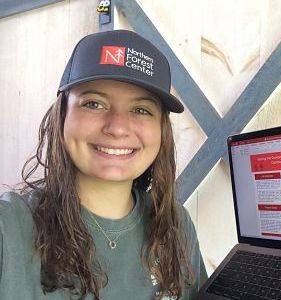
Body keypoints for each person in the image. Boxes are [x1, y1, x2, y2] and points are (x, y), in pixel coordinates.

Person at [0, 30, 207, 299]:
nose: (117, 127)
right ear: (62, 116)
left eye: (141, 109)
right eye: (94, 103)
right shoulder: (9, 229)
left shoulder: (177, 226)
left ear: (161, 131)